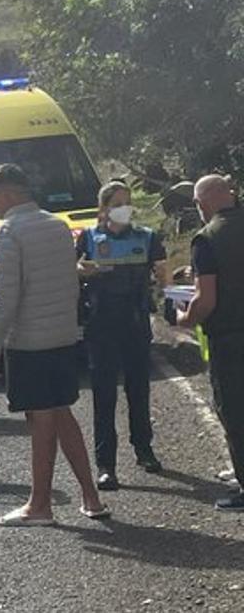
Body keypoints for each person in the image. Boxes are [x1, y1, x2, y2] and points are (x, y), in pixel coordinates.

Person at [0, 164, 108, 526]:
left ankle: (39, 505)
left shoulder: (9, 232)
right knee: (62, 413)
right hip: (63, 336)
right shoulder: (57, 226)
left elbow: (4, 297)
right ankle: (90, 497)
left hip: (30, 341)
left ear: (7, 194)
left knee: (40, 420)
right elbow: (71, 281)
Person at [76, 180, 167, 490]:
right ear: (103, 208)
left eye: (127, 202)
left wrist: (165, 284)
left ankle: (144, 449)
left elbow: (162, 271)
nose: (124, 208)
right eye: (117, 203)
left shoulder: (147, 237)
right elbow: (74, 269)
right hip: (101, 324)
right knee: (104, 394)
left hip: (135, 321)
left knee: (138, 389)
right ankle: (106, 465)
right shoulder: (88, 238)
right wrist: (81, 270)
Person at [177, 174, 244, 511]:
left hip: (231, 338)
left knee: (235, 410)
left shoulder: (207, 239)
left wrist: (183, 318)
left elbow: (206, 301)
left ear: (202, 203)